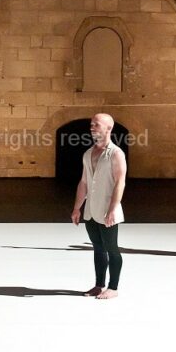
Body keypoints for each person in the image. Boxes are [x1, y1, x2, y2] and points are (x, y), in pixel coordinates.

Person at [71, 113, 127, 300]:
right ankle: (98, 285)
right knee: (98, 248)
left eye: (96, 124)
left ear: (109, 128)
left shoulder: (116, 153)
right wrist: (77, 208)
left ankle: (113, 287)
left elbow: (120, 182)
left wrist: (112, 208)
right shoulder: (88, 153)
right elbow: (83, 182)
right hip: (91, 210)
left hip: (108, 210)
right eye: (91, 124)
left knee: (112, 249)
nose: (92, 127)